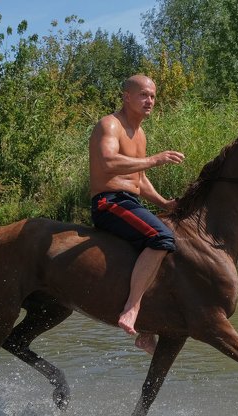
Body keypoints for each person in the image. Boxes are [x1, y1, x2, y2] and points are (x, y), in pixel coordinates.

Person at [89, 74, 185, 354]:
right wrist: (155, 159)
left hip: (131, 202)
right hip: (109, 202)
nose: (150, 101)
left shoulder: (140, 133)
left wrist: (164, 203)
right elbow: (108, 162)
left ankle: (146, 329)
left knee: (171, 241)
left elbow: (139, 179)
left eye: (153, 96)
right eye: (144, 95)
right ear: (126, 97)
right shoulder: (110, 124)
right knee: (162, 238)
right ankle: (131, 309)